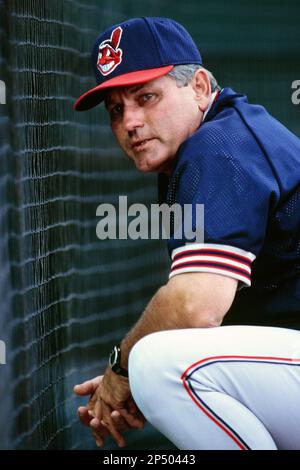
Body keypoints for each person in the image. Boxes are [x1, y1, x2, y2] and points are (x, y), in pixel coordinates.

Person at [73, 17, 300, 450]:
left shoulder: (215, 147)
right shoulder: (222, 134)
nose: (131, 122)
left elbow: (196, 306)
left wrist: (122, 371)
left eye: (146, 97)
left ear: (198, 87)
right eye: (117, 110)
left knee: (157, 363)